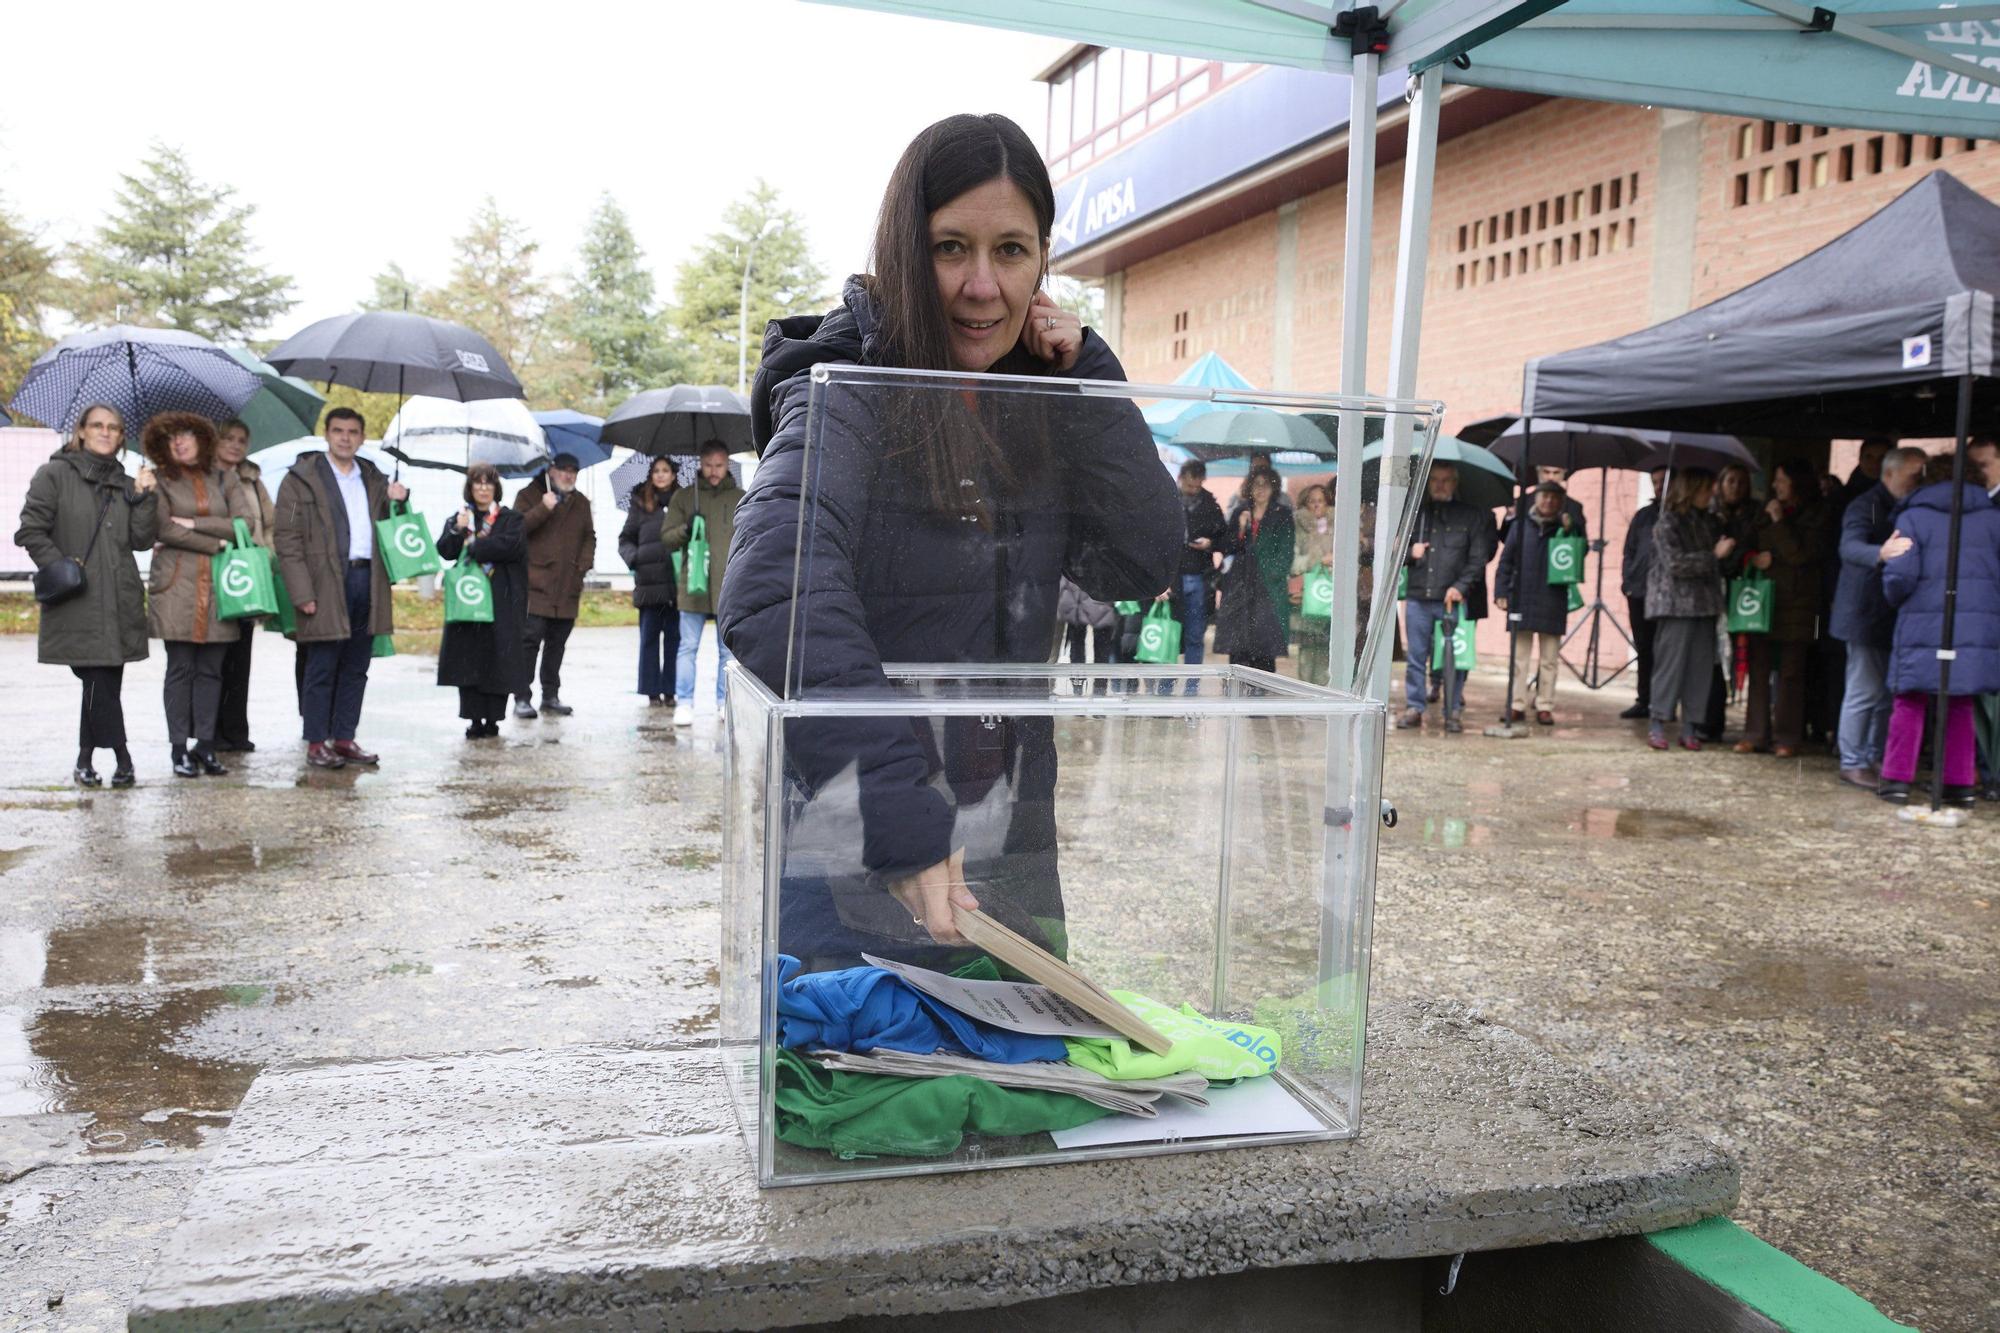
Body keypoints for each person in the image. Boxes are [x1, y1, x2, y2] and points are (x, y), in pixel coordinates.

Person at [720, 111, 1180, 966]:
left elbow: (1143, 555)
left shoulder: (1040, 395)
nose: (981, 285)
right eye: (950, 248)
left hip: (1011, 858)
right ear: (905, 247)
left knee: (1023, 1093)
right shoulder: (848, 392)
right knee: (875, 1095)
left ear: (1043, 259)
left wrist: (1089, 383)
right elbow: (771, 587)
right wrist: (891, 802)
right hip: (864, 862)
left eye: (1011, 250)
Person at [15, 404, 158, 787]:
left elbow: (141, 540)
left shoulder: (127, 483)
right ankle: (123, 757)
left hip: (120, 599)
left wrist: (145, 498)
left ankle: (84, 760)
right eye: (97, 425)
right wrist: (63, 565)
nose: (106, 432)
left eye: (114, 427)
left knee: (102, 683)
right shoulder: (54, 475)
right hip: (78, 598)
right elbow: (30, 530)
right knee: (99, 681)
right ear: (80, 431)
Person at [273, 407, 406, 769]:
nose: (345, 437)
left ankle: (344, 737)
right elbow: (285, 538)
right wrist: (301, 592)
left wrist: (399, 500)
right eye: (338, 431)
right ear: (327, 435)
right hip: (323, 582)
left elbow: (393, 528)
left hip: (368, 579)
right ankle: (317, 742)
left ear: (362, 438)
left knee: (356, 665)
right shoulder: (299, 480)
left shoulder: (375, 478)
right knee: (321, 665)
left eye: (352, 431)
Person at [1875, 474, 2000, 804]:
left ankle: (1897, 780)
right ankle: (1959, 784)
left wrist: (1893, 596)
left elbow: (1900, 575)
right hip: (1976, 626)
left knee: (1910, 699)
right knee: (1960, 701)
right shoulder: (1993, 519)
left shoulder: (1913, 517)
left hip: (1922, 620)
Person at [143, 412, 255, 777]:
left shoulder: (225, 477)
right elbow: (163, 529)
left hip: (222, 586)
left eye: (186, 435)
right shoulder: (159, 481)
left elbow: (245, 525)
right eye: (171, 437)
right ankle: (178, 749)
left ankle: (205, 746)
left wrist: (194, 524)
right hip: (177, 586)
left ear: (203, 439)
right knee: (180, 669)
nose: (179, 442)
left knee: (212, 671)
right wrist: (217, 544)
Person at [1829, 446, 1927, 790]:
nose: (1920, 481)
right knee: (1864, 691)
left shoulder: (1905, 504)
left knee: (1883, 694)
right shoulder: (1868, 504)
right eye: (1914, 474)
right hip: (1863, 613)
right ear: (1889, 474)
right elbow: (1849, 547)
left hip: (1884, 614)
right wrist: (1880, 554)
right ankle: (1853, 761)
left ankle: (1871, 756)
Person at [1735, 460, 1830, 759]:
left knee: (1790, 673)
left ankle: (1787, 736)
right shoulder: (1765, 512)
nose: (1776, 486)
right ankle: (1755, 734)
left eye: (1782, 480)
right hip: (1763, 601)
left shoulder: (1817, 513)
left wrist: (1779, 523)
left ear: (1798, 483)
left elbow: (1800, 554)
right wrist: (1753, 557)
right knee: (1759, 668)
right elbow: (1745, 545)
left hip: (1799, 603)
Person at [436, 464, 529, 738]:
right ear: (470, 487)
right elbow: (445, 550)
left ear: (496, 488)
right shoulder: (461, 518)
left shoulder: (511, 519)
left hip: (501, 598)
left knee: (497, 659)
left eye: (489, 483)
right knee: (469, 659)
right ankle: (473, 718)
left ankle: (493, 719)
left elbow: (511, 546)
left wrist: (475, 545)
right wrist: (456, 530)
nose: (483, 488)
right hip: (469, 599)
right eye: (478, 483)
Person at [1398, 461, 1492, 733]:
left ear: (1455, 483)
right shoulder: (1417, 514)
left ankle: (1453, 711)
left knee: (1454, 659)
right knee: (1416, 656)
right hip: (1418, 598)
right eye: (1435, 480)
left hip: (1452, 600)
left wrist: (1460, 587)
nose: (1440, 485)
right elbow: (1393, 552)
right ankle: (1415, 707)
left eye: (1446, 480)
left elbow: (1478, 558)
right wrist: (1409, 552)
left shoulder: (1471, 516)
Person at [1645, 468, 1734, 751]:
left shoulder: (1708, 522)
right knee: (1670, 666)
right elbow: (1676, 564)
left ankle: (1691, 726)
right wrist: (1713, 556)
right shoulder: (1667, 523)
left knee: (1700, 668)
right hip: (1676, 605)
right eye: (1707, 489)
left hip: (1705, 605)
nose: (1712, 495)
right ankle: (1658, 722)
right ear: (1691, 490)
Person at [662, 441, 743, 727]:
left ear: (728, 463)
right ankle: (684, 703)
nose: (713, 471)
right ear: (700, 463)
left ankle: (724, 702)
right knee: (688, 646)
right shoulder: (685, 497)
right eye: (708, 464)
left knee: (727, 651)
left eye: (719, 465)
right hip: (692, 585)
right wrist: (687, 528)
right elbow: (667, 538)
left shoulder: (741, 497)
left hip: (728, 585)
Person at [512, 452, 594, 719]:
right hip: (536, 587)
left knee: (557, 645)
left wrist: (583, 565)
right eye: (563, 470)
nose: (568, 475)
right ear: (550, 470)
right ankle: (522, 697)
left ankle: (550, 695)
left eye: (574, 471)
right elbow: (516, 531)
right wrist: (543, 508)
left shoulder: (581, 502)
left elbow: (588, 537)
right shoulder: (529, 495)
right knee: (529, 643)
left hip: (568, 588)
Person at [1495, 480, 1579, 726]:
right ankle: (1516, 704)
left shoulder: (1567, 528)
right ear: (1536, 499)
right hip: (1521, 598)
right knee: (1519, 658)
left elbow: (1577, 557)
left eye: (1554, 498)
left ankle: (1544, 705)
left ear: (1561, 502)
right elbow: (1505, 562)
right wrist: (1501, 592)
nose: (1549, 502)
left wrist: (1571, 530)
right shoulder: (1520, 527)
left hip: (1553, 600)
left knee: (1549, 659)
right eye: (1545, 497)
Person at [214, 418, 274, 753]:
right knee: (213, 662)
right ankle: (211, 733)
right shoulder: (206, 476)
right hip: (219, 573)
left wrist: (269, 556)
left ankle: (236, 731)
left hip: (250, 576)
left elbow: (273, 521)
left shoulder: (253, 480)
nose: (235, 445)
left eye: (241, 439)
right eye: (228, 438)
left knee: (241, 660)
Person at [1701, 462, 1762, 741]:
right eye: (1730, 481)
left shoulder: (1755, 514)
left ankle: (1753, 725)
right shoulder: (1710, 515)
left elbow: (1751, 546)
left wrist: (1735, 557)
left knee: (1742, 654)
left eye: (1740, 482)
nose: (1735, 487)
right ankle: (1711, 721)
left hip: (1746, 590)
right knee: (1713, 656)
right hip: (1715, 590)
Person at [1214, 469, 1293, 675]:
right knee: (1239, 647)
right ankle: (1238, 694)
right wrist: (1240, 528)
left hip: (1267, 587)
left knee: (1265, 647)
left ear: (1274, 487)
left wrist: (1270, 574)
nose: (1261, 489)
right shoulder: (1241, 510)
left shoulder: (1282, 513)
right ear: (1249, 487)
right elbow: (1228, 547)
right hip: (1241, 587)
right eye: (1256, 484)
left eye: (1265, 484)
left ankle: (1262, 696)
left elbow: (1285, 552)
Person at [618, 455, 681, 706]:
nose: (661, 475)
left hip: (676, 585)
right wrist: (636, 559)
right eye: (656, 471)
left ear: (674, 474)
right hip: (648, 584)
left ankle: (671, 690)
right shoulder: (640, 503)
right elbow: (625, 539)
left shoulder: (682, 502)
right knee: (649, 640)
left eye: (666, 470)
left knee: (675, 640)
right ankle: (652, 691)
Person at [1619, 468, 1668, 720]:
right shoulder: (1643, 516)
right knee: (1644, 648)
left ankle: (1664, 702)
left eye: (1663, 482)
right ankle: (1644, 699)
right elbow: (1629, 550)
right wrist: (1627, 581)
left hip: (1666, 594)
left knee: (1665, 650)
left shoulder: (1676, 516)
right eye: (1655, 482)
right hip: (1638, 590)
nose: (1659, 487)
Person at [1170, 459, 1229, 667]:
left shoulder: (1210, 505)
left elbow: (1225, 539)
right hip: (1172, 576)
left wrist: (1210, 543)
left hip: (1200, 576)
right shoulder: (1168, 501)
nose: (1194, 490)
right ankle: (1167, 685)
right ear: (1181, 479)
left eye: (1198, 485)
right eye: (1189, 485)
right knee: (1172, 634)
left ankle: (1192, 686)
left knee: (1195, 635)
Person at [1290, 483, 1334, 687]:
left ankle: (1324, 689)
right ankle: (1305, 689)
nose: (1316, 506)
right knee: (1307, 648)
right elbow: (1293, 562)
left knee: (1328, 646)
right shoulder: (1298, 526)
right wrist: (1315, 560)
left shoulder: (1338, 525)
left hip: (1332, 595)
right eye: (1312, 501)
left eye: (1320, 501)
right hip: (1308, 595)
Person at [1057, 576, 1118, 666]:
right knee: (1099, 645)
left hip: (1078, 593)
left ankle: (1078, 677)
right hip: (1092, 594)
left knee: (1079, 643)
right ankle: (1097, 677)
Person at [1837, 438, 1893, 513]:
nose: (1875, 463)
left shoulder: (1902, 495)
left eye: (1882, 458)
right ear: (1860, 459)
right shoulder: (1841, 497)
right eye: (1869, 457)